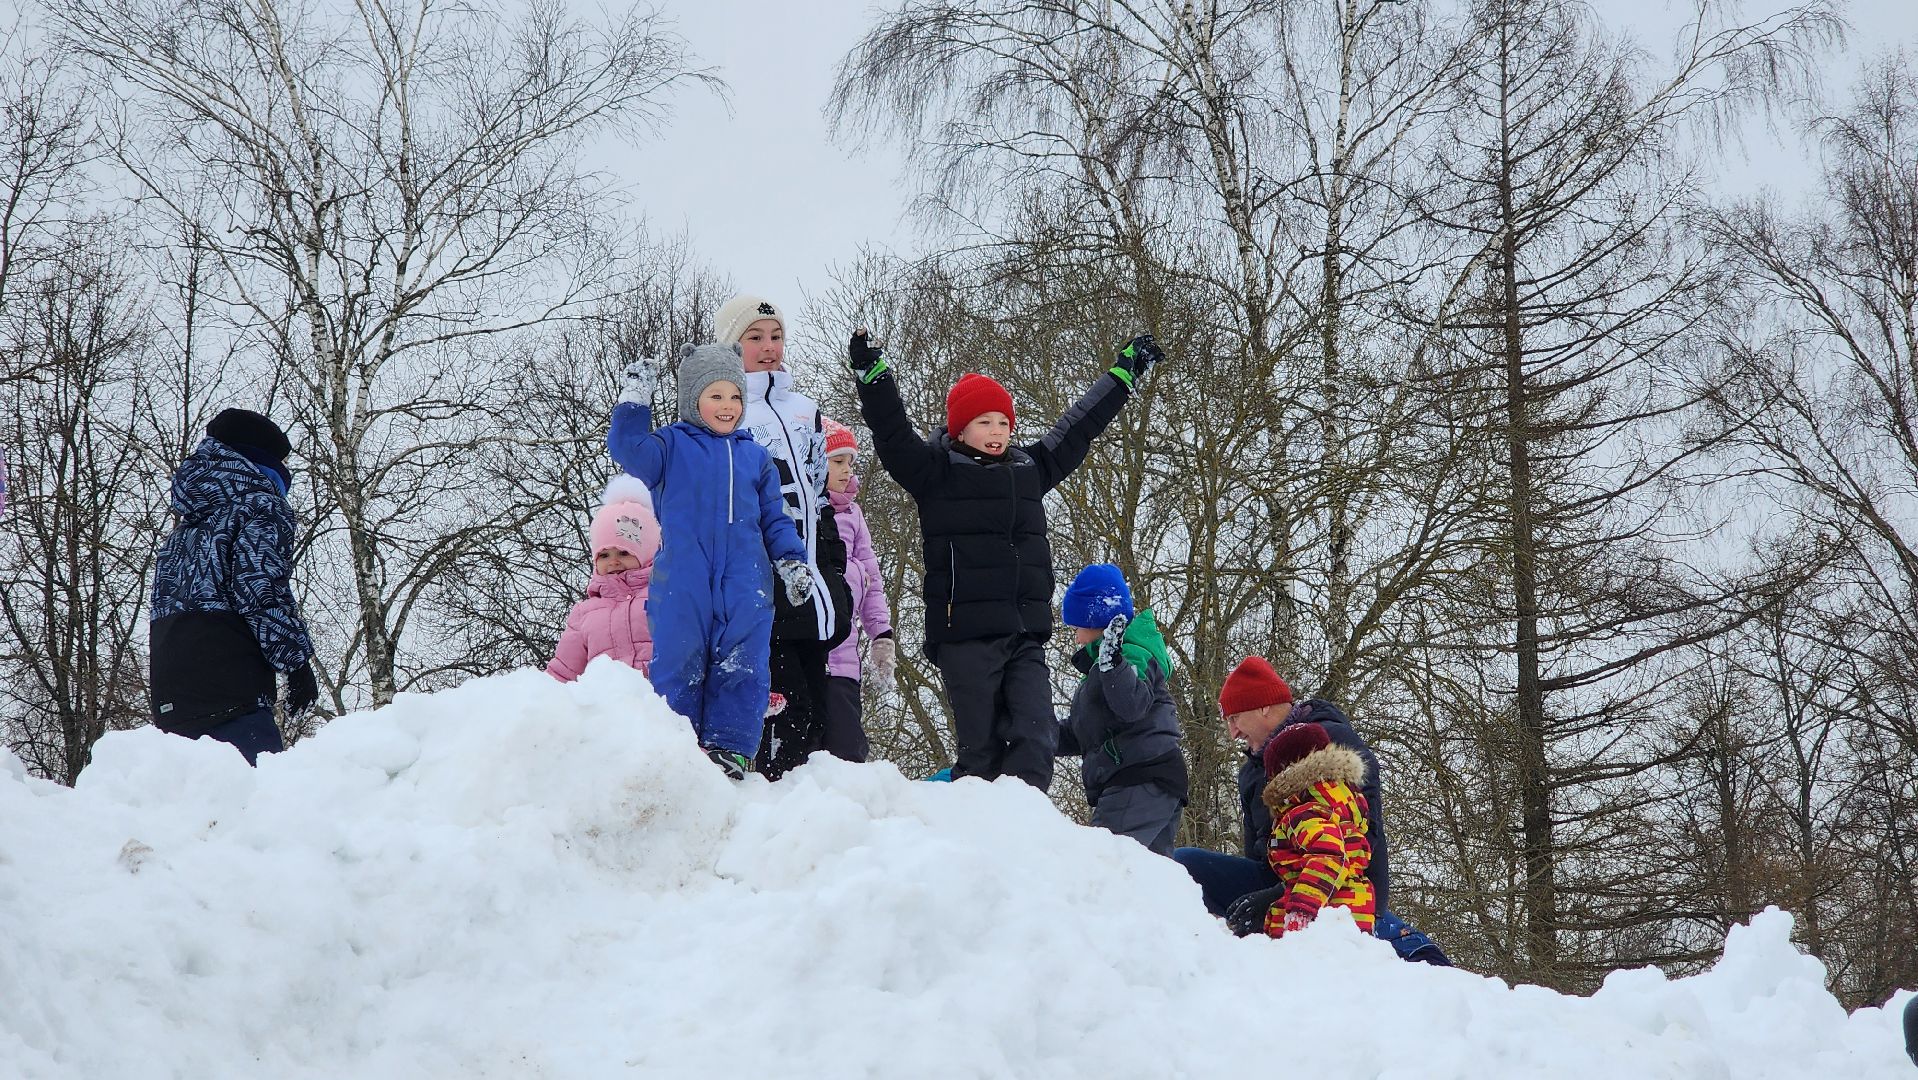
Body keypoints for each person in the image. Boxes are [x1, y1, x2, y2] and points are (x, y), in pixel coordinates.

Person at [846, 328, 1162, 789]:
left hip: (1023, 633)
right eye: (984, 422)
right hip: (965, 636)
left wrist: (1123, 375)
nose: (997, 432)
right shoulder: (935, 473)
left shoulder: (1029, 470)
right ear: (960, 430)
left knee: (1037, 738)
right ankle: (957, 814)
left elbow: (1079, 426)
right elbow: (892, 434)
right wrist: (873, 377)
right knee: (981, 753)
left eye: (1003, 422)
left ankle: (1025, 823)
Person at [606, 343, 811, 780]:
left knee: (743, 660)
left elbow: (776, 518)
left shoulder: (755, 457)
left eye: (735, 396)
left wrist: (792, 561)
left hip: (745, 579)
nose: (727, 405)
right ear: (691, 398)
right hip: (684, 577)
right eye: (715, 395)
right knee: (679, 656)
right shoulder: (670, 446)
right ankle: (676, 746)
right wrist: (635, 398)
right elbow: (627, 448)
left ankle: (730, 748)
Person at [1174, 657, 1452, 964]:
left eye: (1235, 718)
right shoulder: (1251, 771)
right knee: (1185, 865)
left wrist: (1280, 895)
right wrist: (1255, 903)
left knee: (1357, 919)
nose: (1233, 732)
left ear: (1263, 707)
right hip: (1284, 881)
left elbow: (1355, 840)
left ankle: (1409, 948)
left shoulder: (1329, 742)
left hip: (1340, 882)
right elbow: (1258, 854)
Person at [713, 294, 853, 779]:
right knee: (784, 707)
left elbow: (819, 499)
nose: (769, 347)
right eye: (755, 337)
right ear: (732, 347)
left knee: (817, 713)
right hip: (761, 592)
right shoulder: (728, 412)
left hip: (812, 589)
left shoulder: (805, 411)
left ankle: (801, 806)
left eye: (775, 336)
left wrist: (834, 573)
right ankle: (766, 795)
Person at [149, 408, 317, 765]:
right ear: (264, 461)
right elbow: (259, 588)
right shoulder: (261, 506)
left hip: (171, 690)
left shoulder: (186, 527)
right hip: (232, 684)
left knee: (195, 795)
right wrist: (296, 663)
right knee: (257, 793)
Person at [1054, 563, 1187, 855]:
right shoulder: (1102, 667)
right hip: (1145, 781)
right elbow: (1084, 733)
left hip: (1139, 778)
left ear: (1096, 620)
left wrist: (1113, 663)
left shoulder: (1131, 653)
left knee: (1101, 864)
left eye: (1077, 628)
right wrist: (1036, 732)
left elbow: (1132, 704)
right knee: (1140, 875)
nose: (1076, 638)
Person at [1224, 722, 1374, 938]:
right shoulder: (1340, 803)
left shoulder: (1304, 812)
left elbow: (1329, 854)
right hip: (1350, 911)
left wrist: (1300, 912)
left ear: (1280, 775)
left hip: (1320, 923)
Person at [820, 418, 895, 762]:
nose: (846, 470)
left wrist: (881, 634)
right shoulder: (797, 513)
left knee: (847, 750)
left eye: (849, 462)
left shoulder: (853, 514)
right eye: (837, 461)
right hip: (805, 654)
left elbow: (872, 579)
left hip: (845, 661)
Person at [547, 476, 659, 681]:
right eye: (604, 555)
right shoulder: (584, 613)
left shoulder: (663, 596)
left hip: (657, 697)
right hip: (607, 699)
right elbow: (563, 671)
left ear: (647, 554)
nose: (613, 562)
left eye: (624, 553)